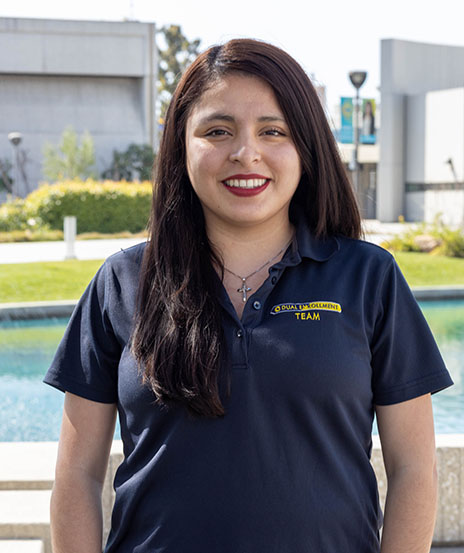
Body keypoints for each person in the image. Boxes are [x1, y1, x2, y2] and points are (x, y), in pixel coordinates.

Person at [44, 38, 453, 553]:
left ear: (305, 147)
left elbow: (414, 468)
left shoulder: (368, 278)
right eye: (217, 131)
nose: (246, 153)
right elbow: (77, 477)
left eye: (273, 131)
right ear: (180, 146)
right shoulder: (123, 282)